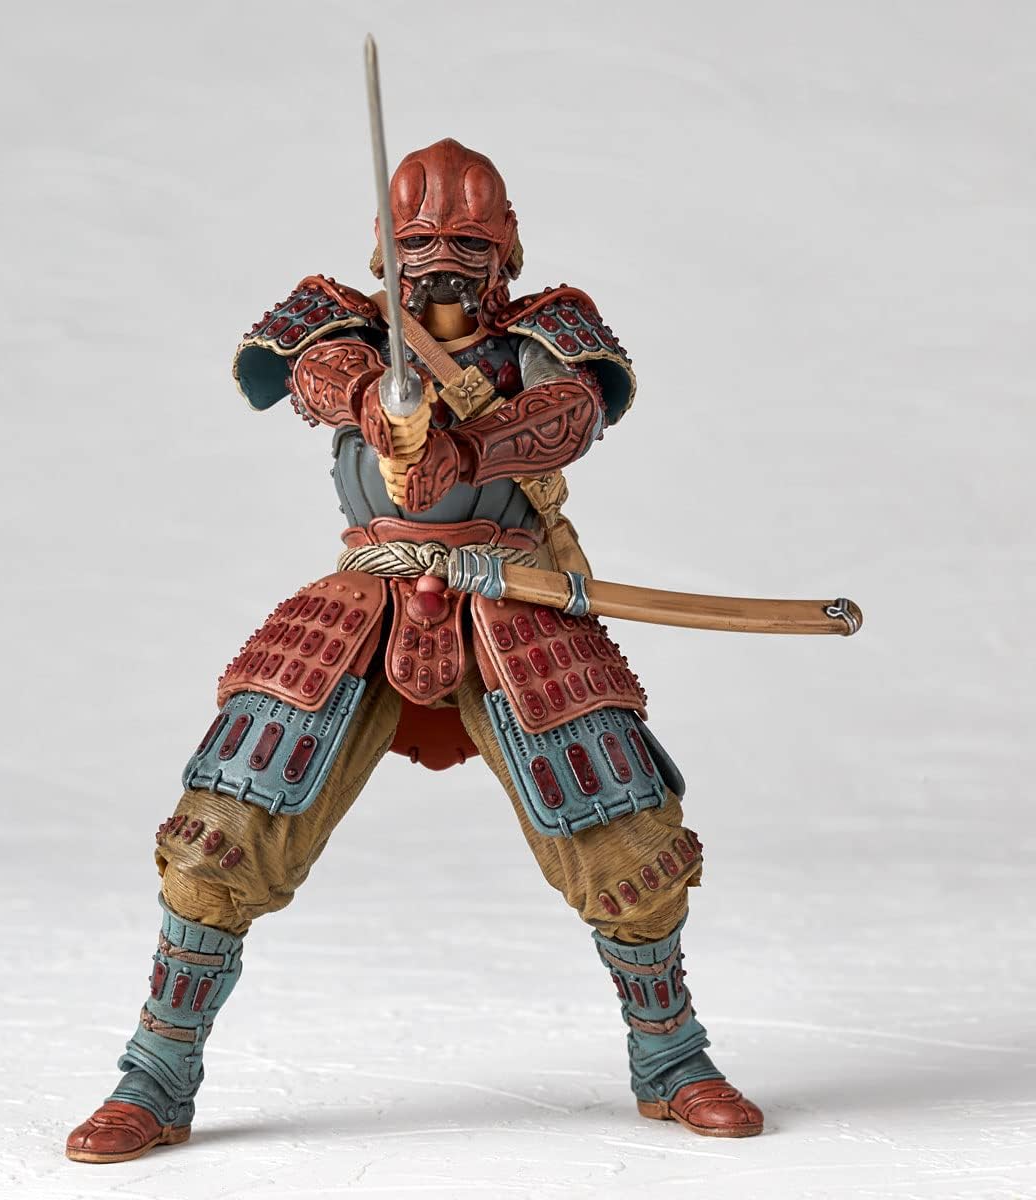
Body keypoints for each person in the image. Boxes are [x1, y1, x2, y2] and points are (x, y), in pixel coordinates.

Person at [65, 137, 763, 1164]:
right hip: (365, 600)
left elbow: (574, 410)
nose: (442, 263)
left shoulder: (545, 332)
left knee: (628, 838)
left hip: (511, 598)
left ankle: (672, 1060)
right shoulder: (345, 323)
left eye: (468, 244)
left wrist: (470, 446)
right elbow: (304, 367)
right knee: (222, 832)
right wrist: (369, 400)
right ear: (385, 249)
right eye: (419, 243)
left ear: (507, 248)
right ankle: (154, 1078)